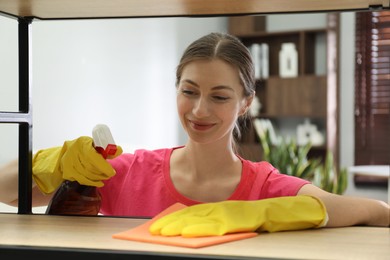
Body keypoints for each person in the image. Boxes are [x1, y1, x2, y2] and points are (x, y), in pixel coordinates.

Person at [0, 33, 388, 236]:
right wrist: (52, 162)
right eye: (188, 91)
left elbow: (377, 212)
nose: (199, 110)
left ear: (246, 102)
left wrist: (258, 211)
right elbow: (6, 191)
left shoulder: (266, 187)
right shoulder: (127, 171)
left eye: (220, 97)